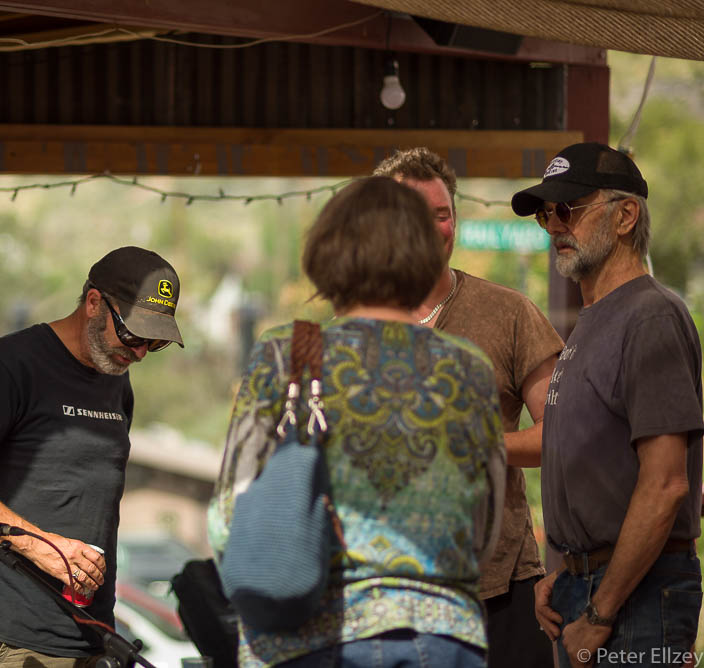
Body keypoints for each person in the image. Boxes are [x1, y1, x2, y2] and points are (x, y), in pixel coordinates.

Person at [208, 176, 506, 667]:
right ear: (423, 256)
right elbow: (485, 528)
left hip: (310, 640)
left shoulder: (287, 355)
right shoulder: (468, 366)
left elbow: (229, 515)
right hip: (442, 639)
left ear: (328, 254)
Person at [0, 246, 184, 667]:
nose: (139, 353)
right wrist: (42, 547)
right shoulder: (10, 364)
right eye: (134, 335)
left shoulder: (117, 381)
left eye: (156, 343)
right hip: (12, 641)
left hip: (93, 636)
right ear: (94, 303)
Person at [512, 142, 704, 668]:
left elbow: (666, 484)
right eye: (546, 215)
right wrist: (570, 573)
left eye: (567, 208)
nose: (554, 226)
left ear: (625, 216)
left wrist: (600, 610)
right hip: (597, 588)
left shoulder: (650, 316)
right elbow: (602, 475)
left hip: (636, 599)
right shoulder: (596, 319)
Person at [373, 148, 563, 667]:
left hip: (499, 589)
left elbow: (561, 436)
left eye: (442, 214)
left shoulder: (510, 313)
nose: (434, 228)